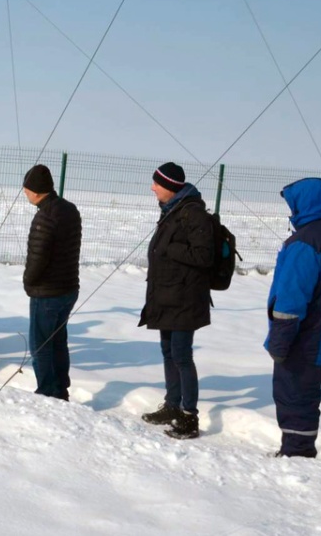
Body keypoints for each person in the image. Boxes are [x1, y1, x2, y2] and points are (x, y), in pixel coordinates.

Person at [266, 177, 321, 459]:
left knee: (293, 395)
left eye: (292, 203)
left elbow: (290, 301)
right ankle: (299, 449)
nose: (290, 209)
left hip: (306, 337)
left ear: (303, 203)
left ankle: (297, 455)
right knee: (306, 394)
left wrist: (279, 343)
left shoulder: (304, 243)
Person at [139, 162, 214, 439]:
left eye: (157, 184)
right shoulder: (171, 210)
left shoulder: (193, 214)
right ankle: (172, 405)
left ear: (170, 187)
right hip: (167, 296)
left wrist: (170, 248)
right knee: (168, 352)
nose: (152, 188)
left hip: (185, 298)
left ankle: (189, 416)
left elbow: (203, 256)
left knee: (182, 356)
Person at [21, 165, 82, 400]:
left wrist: (28, 281)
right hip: (68, 287)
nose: (25, 192)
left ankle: (47, 391)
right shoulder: (69, 209)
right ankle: (60, 388)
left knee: (41, 345)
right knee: (57, 341)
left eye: (27, 189)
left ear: (36, 191)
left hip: (47, 291)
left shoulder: (44, 216)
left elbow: (38, 257)